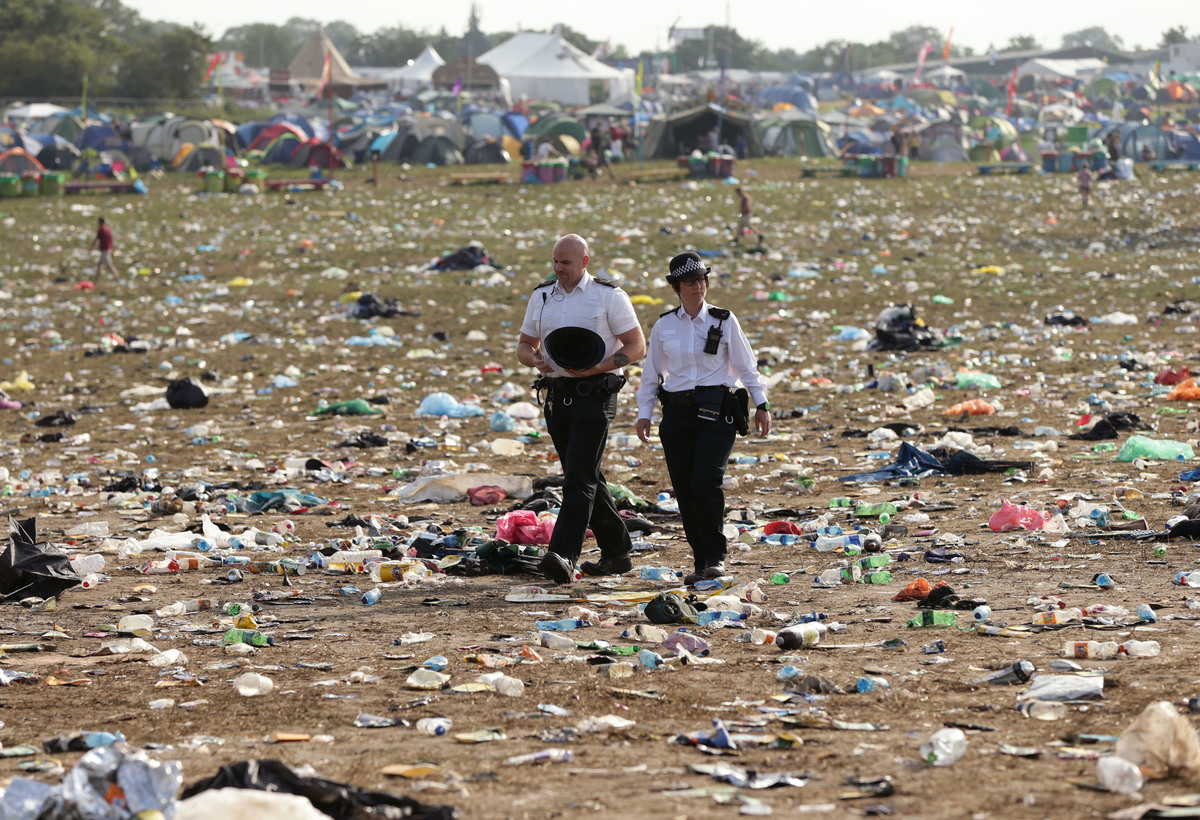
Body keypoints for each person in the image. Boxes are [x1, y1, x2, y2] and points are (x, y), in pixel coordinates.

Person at [517, 234, 646, 583]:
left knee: (577, 477)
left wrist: (599, 367)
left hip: (595, 394)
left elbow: (637, 346)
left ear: (585, 261)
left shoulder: (608, 296)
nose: (558, 269)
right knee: (585, 474)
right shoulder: (542, 295)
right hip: (557, 396)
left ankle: (563, 553)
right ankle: (617, 551)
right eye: (555, 262)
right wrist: (534, 360)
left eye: (566, 263)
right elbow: (524, 345)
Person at [636, 252, 771, 586]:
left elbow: (746, 366)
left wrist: (761, 403)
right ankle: (700, 562)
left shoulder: (724, 320)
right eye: (689, 281)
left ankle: (715, 556)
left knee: (705, 482)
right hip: (677, 414)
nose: (698, 286)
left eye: (701, 280)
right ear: (676, 288)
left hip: (717, 411)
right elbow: (652, 374)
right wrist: (644, 413)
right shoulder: (664, 325)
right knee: (685, 489)